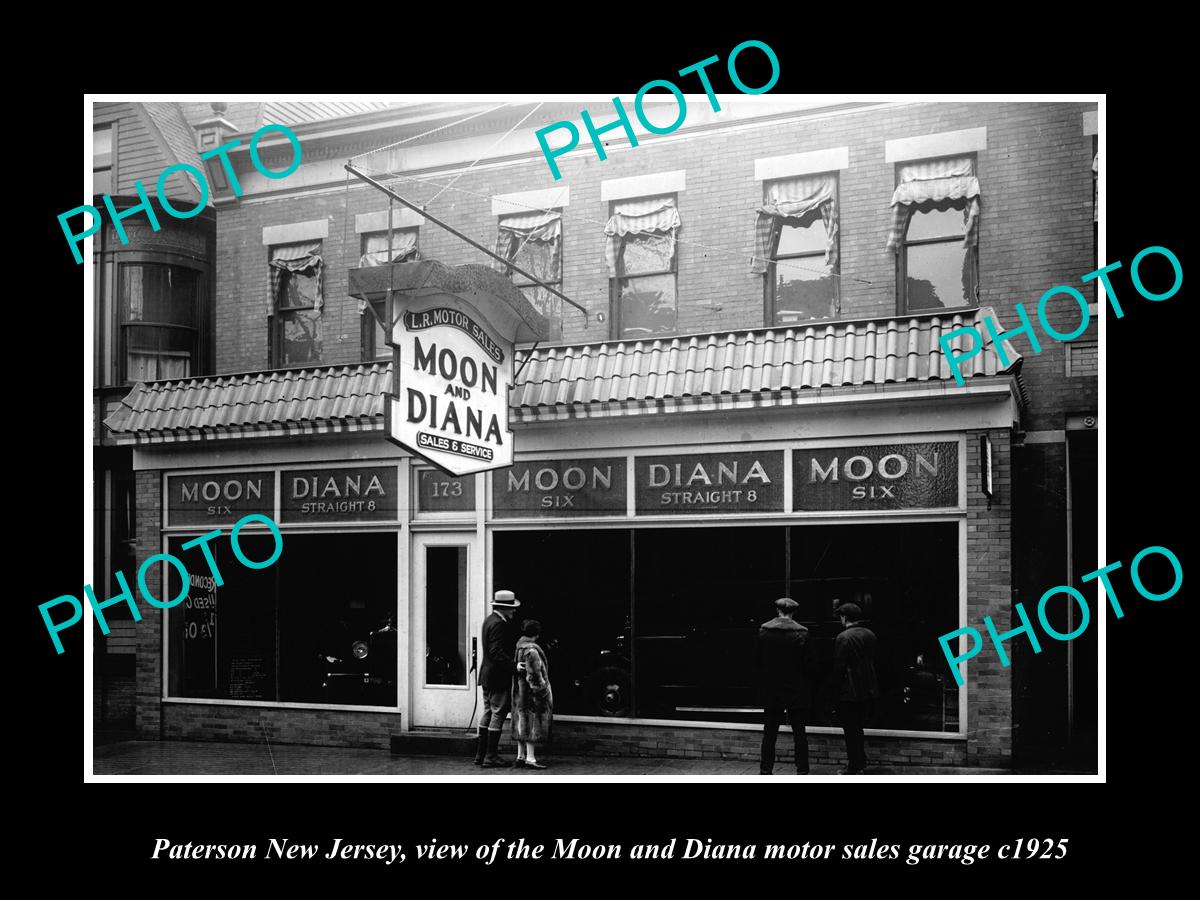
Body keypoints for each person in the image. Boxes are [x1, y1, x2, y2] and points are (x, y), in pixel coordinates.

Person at [755, 597, 812, 775]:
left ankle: (766, 770)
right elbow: (809, 664)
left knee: (770, 733)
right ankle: (802, 771)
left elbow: (758, 661)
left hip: (772, 689)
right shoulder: (803, 633)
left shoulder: (764, 631)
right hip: (796, 689)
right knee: (799, 734)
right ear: (793, 612)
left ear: (778, 611)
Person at [831, 601, 879, 775]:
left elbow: (839, 668)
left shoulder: (843, 638)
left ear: (844, 618)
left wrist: (834, 692)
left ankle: (854, 766)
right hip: (868, 689)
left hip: (849, 692)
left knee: (850, 731)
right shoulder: (871, 635)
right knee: (858, 728)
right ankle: (860, 763)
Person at [474, 589, 520, 768]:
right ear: (504, 607)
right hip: (497, 677)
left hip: (487, 675)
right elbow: (496, 652)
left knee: (487, 712)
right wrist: (514, 666)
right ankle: (491, 756)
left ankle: (481, 754)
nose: (513, 611)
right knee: (498, 713)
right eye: (511, 608)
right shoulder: (499, 624)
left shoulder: (488, 620)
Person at [511, 619, 554, 770]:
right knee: (531, 724)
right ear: (536, 634)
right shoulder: (532, 651)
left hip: (519, 694)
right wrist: (543, 692)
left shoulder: (519, 647)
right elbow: (534, 676)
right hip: (531, 696)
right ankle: (530, 758)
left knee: (521, 723)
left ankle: (520, 756)